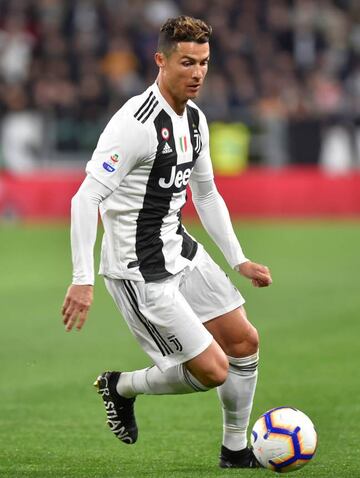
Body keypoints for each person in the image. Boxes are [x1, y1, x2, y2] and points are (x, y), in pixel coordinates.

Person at [61, 15, 272, 469]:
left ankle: (235, 451)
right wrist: (82, 279)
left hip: (178, 247)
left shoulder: (195, 119)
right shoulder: (134, 125)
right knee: (214, 371)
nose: (197, 73)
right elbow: (85, 198)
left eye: (204, 62)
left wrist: (238, 259)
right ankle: (121, 386)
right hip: (139, 270)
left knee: (244, 342)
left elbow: (207, 193)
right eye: (186, 62)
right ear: (160, 60)